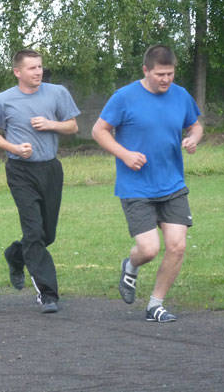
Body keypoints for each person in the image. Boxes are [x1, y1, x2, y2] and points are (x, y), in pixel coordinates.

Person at [92, 44, 203, 323]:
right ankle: (130, 265)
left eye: (170, 73)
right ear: (146, 70)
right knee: (149, 249)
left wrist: (193, 139)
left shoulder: (181, 96)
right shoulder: (124, 97)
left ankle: (155, 304)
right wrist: (125, 154)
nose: (166, 79)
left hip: (173, 185)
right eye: (160, 74)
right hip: (136, 187)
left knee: (177, 246)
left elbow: (196, 124)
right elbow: (99, 130)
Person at [0, 49, 80, 314]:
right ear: (17, 72)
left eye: (39, 67)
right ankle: (48, 295)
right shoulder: (2, 101)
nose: (38, 72)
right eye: (32, 68)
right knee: (34, 232)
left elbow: (72, 126)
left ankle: (16, 255)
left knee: (46, 234)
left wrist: (51, 124)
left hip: (50, 169)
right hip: (20, 171)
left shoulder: (57, 92)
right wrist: (13, 148)